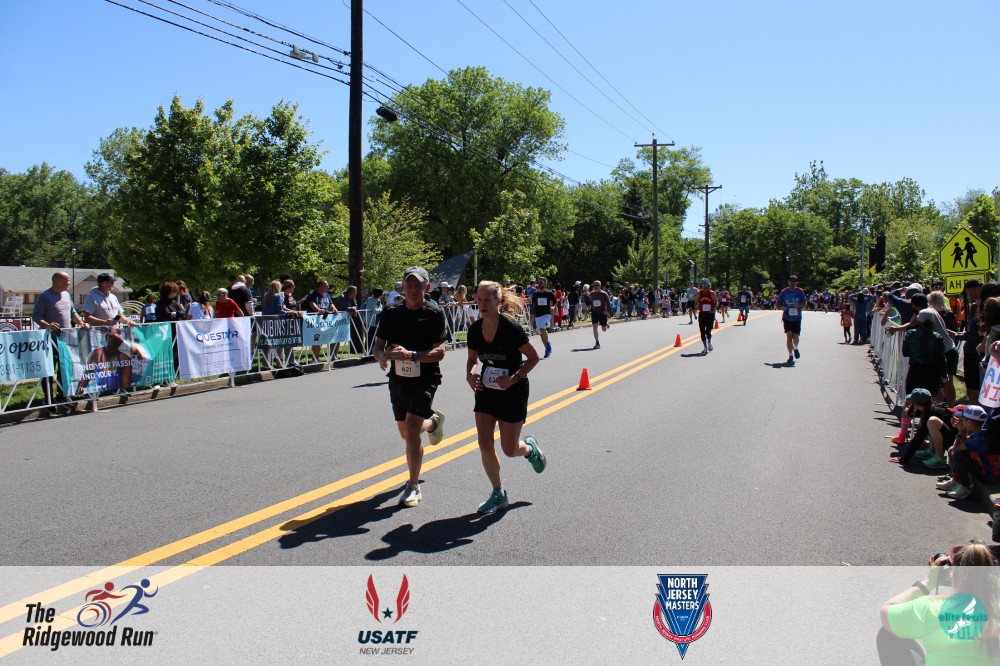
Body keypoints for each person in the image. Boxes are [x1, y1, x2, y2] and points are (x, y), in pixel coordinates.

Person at [465, 281, 546, 514]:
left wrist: (513, 378)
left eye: (487, 300)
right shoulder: (475, 329)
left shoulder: (510, 327)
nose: (482, 304)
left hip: (512, 391)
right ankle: (498, 493)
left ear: (498, 301)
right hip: (486, 390)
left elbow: (533, 357)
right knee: (484, 442)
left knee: (509, 449)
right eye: (478, 300)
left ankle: (529, 449)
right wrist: (470, 375)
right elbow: (472, 360)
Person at [372, 266, 448, 508]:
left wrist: (413, 355)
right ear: (403, 287)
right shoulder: (391, 312)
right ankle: (433, 423)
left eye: (418, 285)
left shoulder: (434, 313)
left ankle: (413, 485)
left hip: (426, 377)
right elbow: (378, 345)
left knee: (413, 432)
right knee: (406, 433)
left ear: (427, 287)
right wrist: (381, 356)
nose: (414, 290)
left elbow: (440, 352)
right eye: (410, 285)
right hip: (399, 379)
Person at [879, 540, 1000, 666]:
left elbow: (886, 611)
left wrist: (927, 583)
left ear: (953, 575)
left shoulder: (931, 608)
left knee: (888, 634)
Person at [32, 271, 90, 407]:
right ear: (58, 281)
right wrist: (48, 325)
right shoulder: (45, 296)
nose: (69, 284)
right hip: (50, 339)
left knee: (64, 367)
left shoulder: (66, 295)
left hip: (65, 338)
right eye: (67, 281)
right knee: (50, 369)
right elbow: (36, 316)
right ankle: (48, 398)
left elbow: (72, 313)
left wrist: (81, 323)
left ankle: (62, 395)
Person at [305, 279, 339, 361]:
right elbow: (312, 304)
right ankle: (315, 358)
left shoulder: (327, 294)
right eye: (326, 286)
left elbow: (331, 303)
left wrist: (334, 309)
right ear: (320, 286)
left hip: (326, 320)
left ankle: (333, 356)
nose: (328, 287)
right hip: (315, 320)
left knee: (333, 337)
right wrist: (318, 310)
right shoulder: (313, 293)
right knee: (317, 339)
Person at [777, 276, 808, 365]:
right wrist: (781, 307)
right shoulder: (783, 292)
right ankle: (790, 355)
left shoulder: (800, 291)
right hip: (787, 317)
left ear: (796, 283)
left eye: (794, 281)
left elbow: (805, 304)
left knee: (796, 337)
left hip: (797, 317)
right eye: (791, 281)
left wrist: (798, 305)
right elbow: (777, 304)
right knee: (789, 336)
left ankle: (795, 348)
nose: (792, 283)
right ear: (788, 282)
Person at [531, 277, 556, 359]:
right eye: (539, 282)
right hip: (538, 315)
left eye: (542, 282)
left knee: (542, 328)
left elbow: (555, 301)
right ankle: (547, 350)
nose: (540, 283)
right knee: (541, 334)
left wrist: (553, 306)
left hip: (547, 314)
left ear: (545, 284)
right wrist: (528, 302)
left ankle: (548, 344)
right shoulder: (535, 294)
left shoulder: (549, 293)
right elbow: (531, 302)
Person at [583, 280, 611, 349]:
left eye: (597, 285)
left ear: (600, 286)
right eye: (594, 285)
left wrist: (606, 310)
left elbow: (608, 303)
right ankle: (597, 343)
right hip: (594, 313)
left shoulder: (604, 294)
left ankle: (606, 323)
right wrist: (588, 308)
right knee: (594, 328)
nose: (595, 286)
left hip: (602, 313)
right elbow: (591, 302)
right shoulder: (592, 294)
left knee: (604, 329)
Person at [695, 278, 717, 355]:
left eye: (706, 285)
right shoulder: (699, 293)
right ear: (701, 286)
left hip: (710, 314)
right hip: (702, 314)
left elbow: (716, 302)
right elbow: (695, 303)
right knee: (702, 331)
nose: (704, 287)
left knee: (708, 330)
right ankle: (705, 347)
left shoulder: (712, 293)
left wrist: (714, 308)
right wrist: (696, 307)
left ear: (708, 286)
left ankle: (709, 342)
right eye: (703, 285)